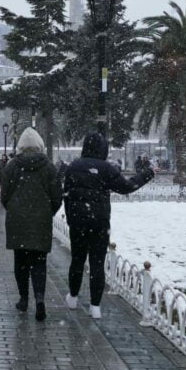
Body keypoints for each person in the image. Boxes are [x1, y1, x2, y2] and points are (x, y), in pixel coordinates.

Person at [63, 132, 154, 319]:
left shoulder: (73, 167)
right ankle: (95, 306)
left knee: (77, 259)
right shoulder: (106, 168)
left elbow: (67, 194)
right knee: (97, 263)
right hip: (99, 221)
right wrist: (147, 175)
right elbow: (126, 187)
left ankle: (72, 297)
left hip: (78, 221)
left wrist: (72, 217)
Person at [1, 128, 61, 321]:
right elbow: (56, 197)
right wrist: (46, 211)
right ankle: (40, 299)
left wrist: (14, 208)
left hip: (18, 220)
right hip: (40, 221)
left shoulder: (12, 166)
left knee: (20, 262)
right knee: (39, 262)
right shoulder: (48, 167)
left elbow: (5, 195)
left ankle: (24, 298)